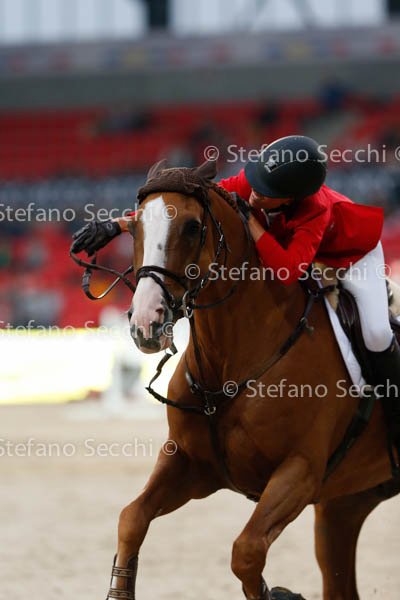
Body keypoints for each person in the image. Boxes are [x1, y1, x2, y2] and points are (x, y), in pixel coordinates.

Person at [71, 135, 400, 437]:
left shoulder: (316, 210)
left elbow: (287, 270)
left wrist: (252, 222)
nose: (254, 192)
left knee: (376, 334)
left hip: (353, 258)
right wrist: (118, 225)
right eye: (256, 183)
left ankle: (393, 409)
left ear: (291, 199)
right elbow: (184, 211)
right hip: (299, 253)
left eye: (266, 192)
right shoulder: (257, 181)